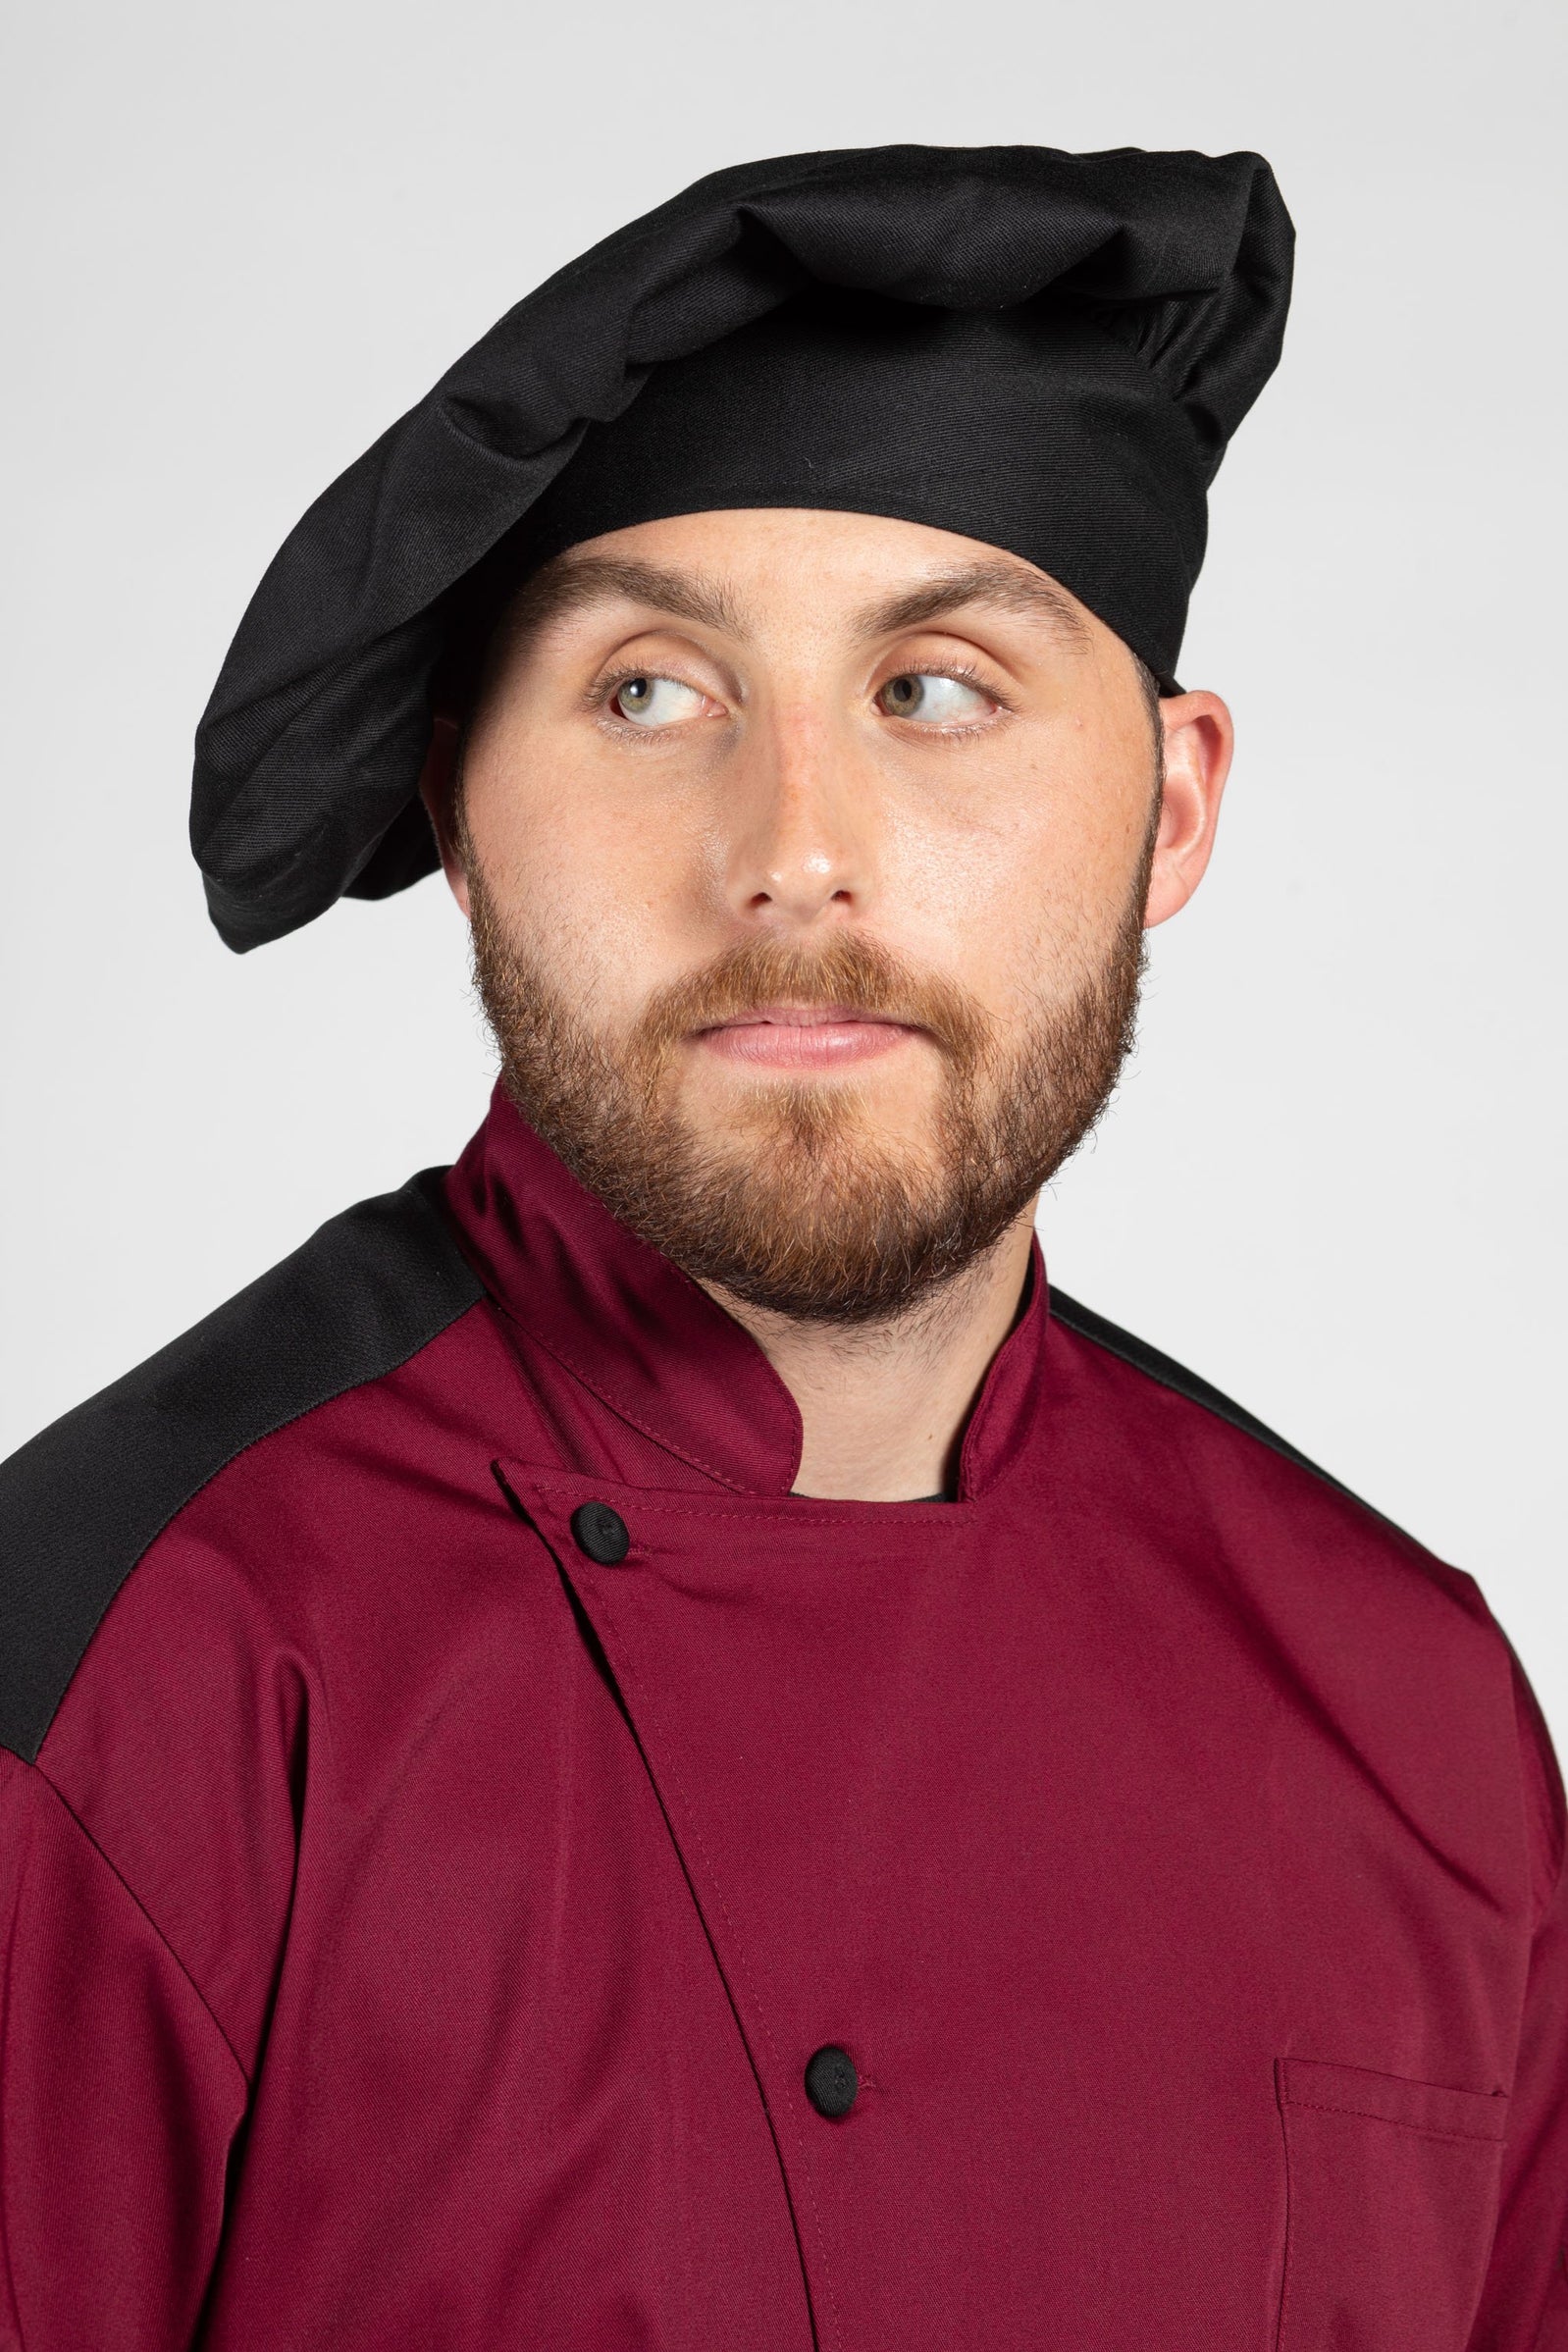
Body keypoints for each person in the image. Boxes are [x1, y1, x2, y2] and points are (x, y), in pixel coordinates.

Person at [1, 143, 1562, 2352]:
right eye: (651, 692)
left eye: (936, 688)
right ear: (462, 812)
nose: (794, 852)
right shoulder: (119, 1676)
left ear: (1173, 807)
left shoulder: (1415, 1712)